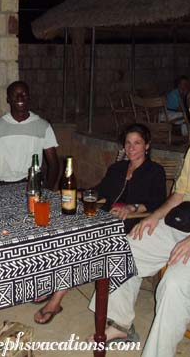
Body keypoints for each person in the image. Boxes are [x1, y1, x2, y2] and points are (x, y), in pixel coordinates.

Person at [88, 84, 190, 357]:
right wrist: (153, 217)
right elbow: (180, 193)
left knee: (175, 282)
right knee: (123, 248)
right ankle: (122, 324)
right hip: (182, 223)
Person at [34, 123, 166, 325]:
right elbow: (98, 193)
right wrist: (68, 193)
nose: (131, 148)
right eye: (128, 143)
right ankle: (54, 283)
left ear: (147, 146)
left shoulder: (154, 171)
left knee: (80, 244)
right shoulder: (117, 168)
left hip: (132, 223)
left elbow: (157, 203)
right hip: (105, 218)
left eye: (137, 143)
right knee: (64, 233)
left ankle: (56, 300)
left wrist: (132, 208)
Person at [0, 81, 59, 189]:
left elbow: (54, 164)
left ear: (29, 97)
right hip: (4, 184)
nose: (20, 98)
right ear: (8, 99)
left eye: (23, 94)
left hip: (33, 182)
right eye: (15, 95)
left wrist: (48, 190)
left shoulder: (43, 126)